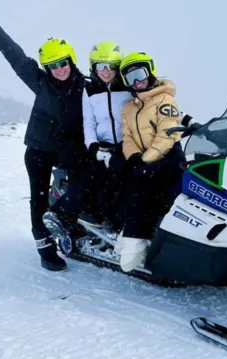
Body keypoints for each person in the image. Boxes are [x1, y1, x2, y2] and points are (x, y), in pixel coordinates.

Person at [0, 3, 91, 272]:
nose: (58, 69)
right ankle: (45, 247)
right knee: (37, 196)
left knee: (89, 175)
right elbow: (15, 56)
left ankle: (65, 219)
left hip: (68, 148)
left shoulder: (86, 86)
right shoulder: (40, 82)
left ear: (70, 60)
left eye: (62, 63)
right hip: (38, 149)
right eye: (52, 65)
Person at [116, 52, 201, 272]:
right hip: (146, 158)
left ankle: (136, 238)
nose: (137, 81)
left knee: (141, 178)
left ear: (150, 71)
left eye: (140, 74)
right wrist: (134, 156)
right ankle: (128, 229)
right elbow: (128, 137)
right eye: (130, 78)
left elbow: (166, 136)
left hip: (169, 156)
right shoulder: (128, 107)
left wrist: (143, 162)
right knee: (124, 175)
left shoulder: (165, 100)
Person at [82, 41, 132, 234]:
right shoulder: (90, 90)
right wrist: (93, 146)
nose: (105, 71)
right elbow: (89, 121)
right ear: (93, 67)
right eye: (100, 66)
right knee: (104, 183)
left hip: (126, 144)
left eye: (110, 66)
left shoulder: (127, 87)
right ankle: (111, 223)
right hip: (102, 146)